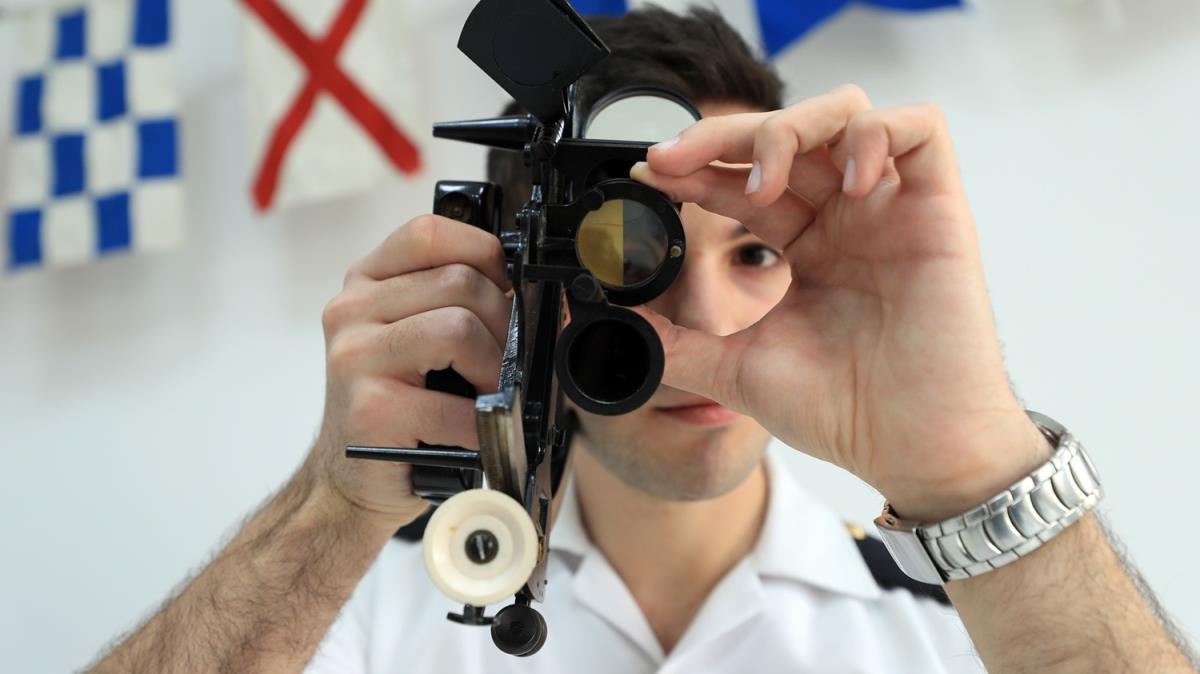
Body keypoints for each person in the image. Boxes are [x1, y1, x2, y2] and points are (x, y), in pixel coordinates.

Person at [88, 8, 1197, 673]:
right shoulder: (366, 611)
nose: (704, 319)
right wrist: (328, 513)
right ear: (517, 281)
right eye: (632, 257)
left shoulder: (964, 626)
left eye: (755, 251)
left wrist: (972, 466)